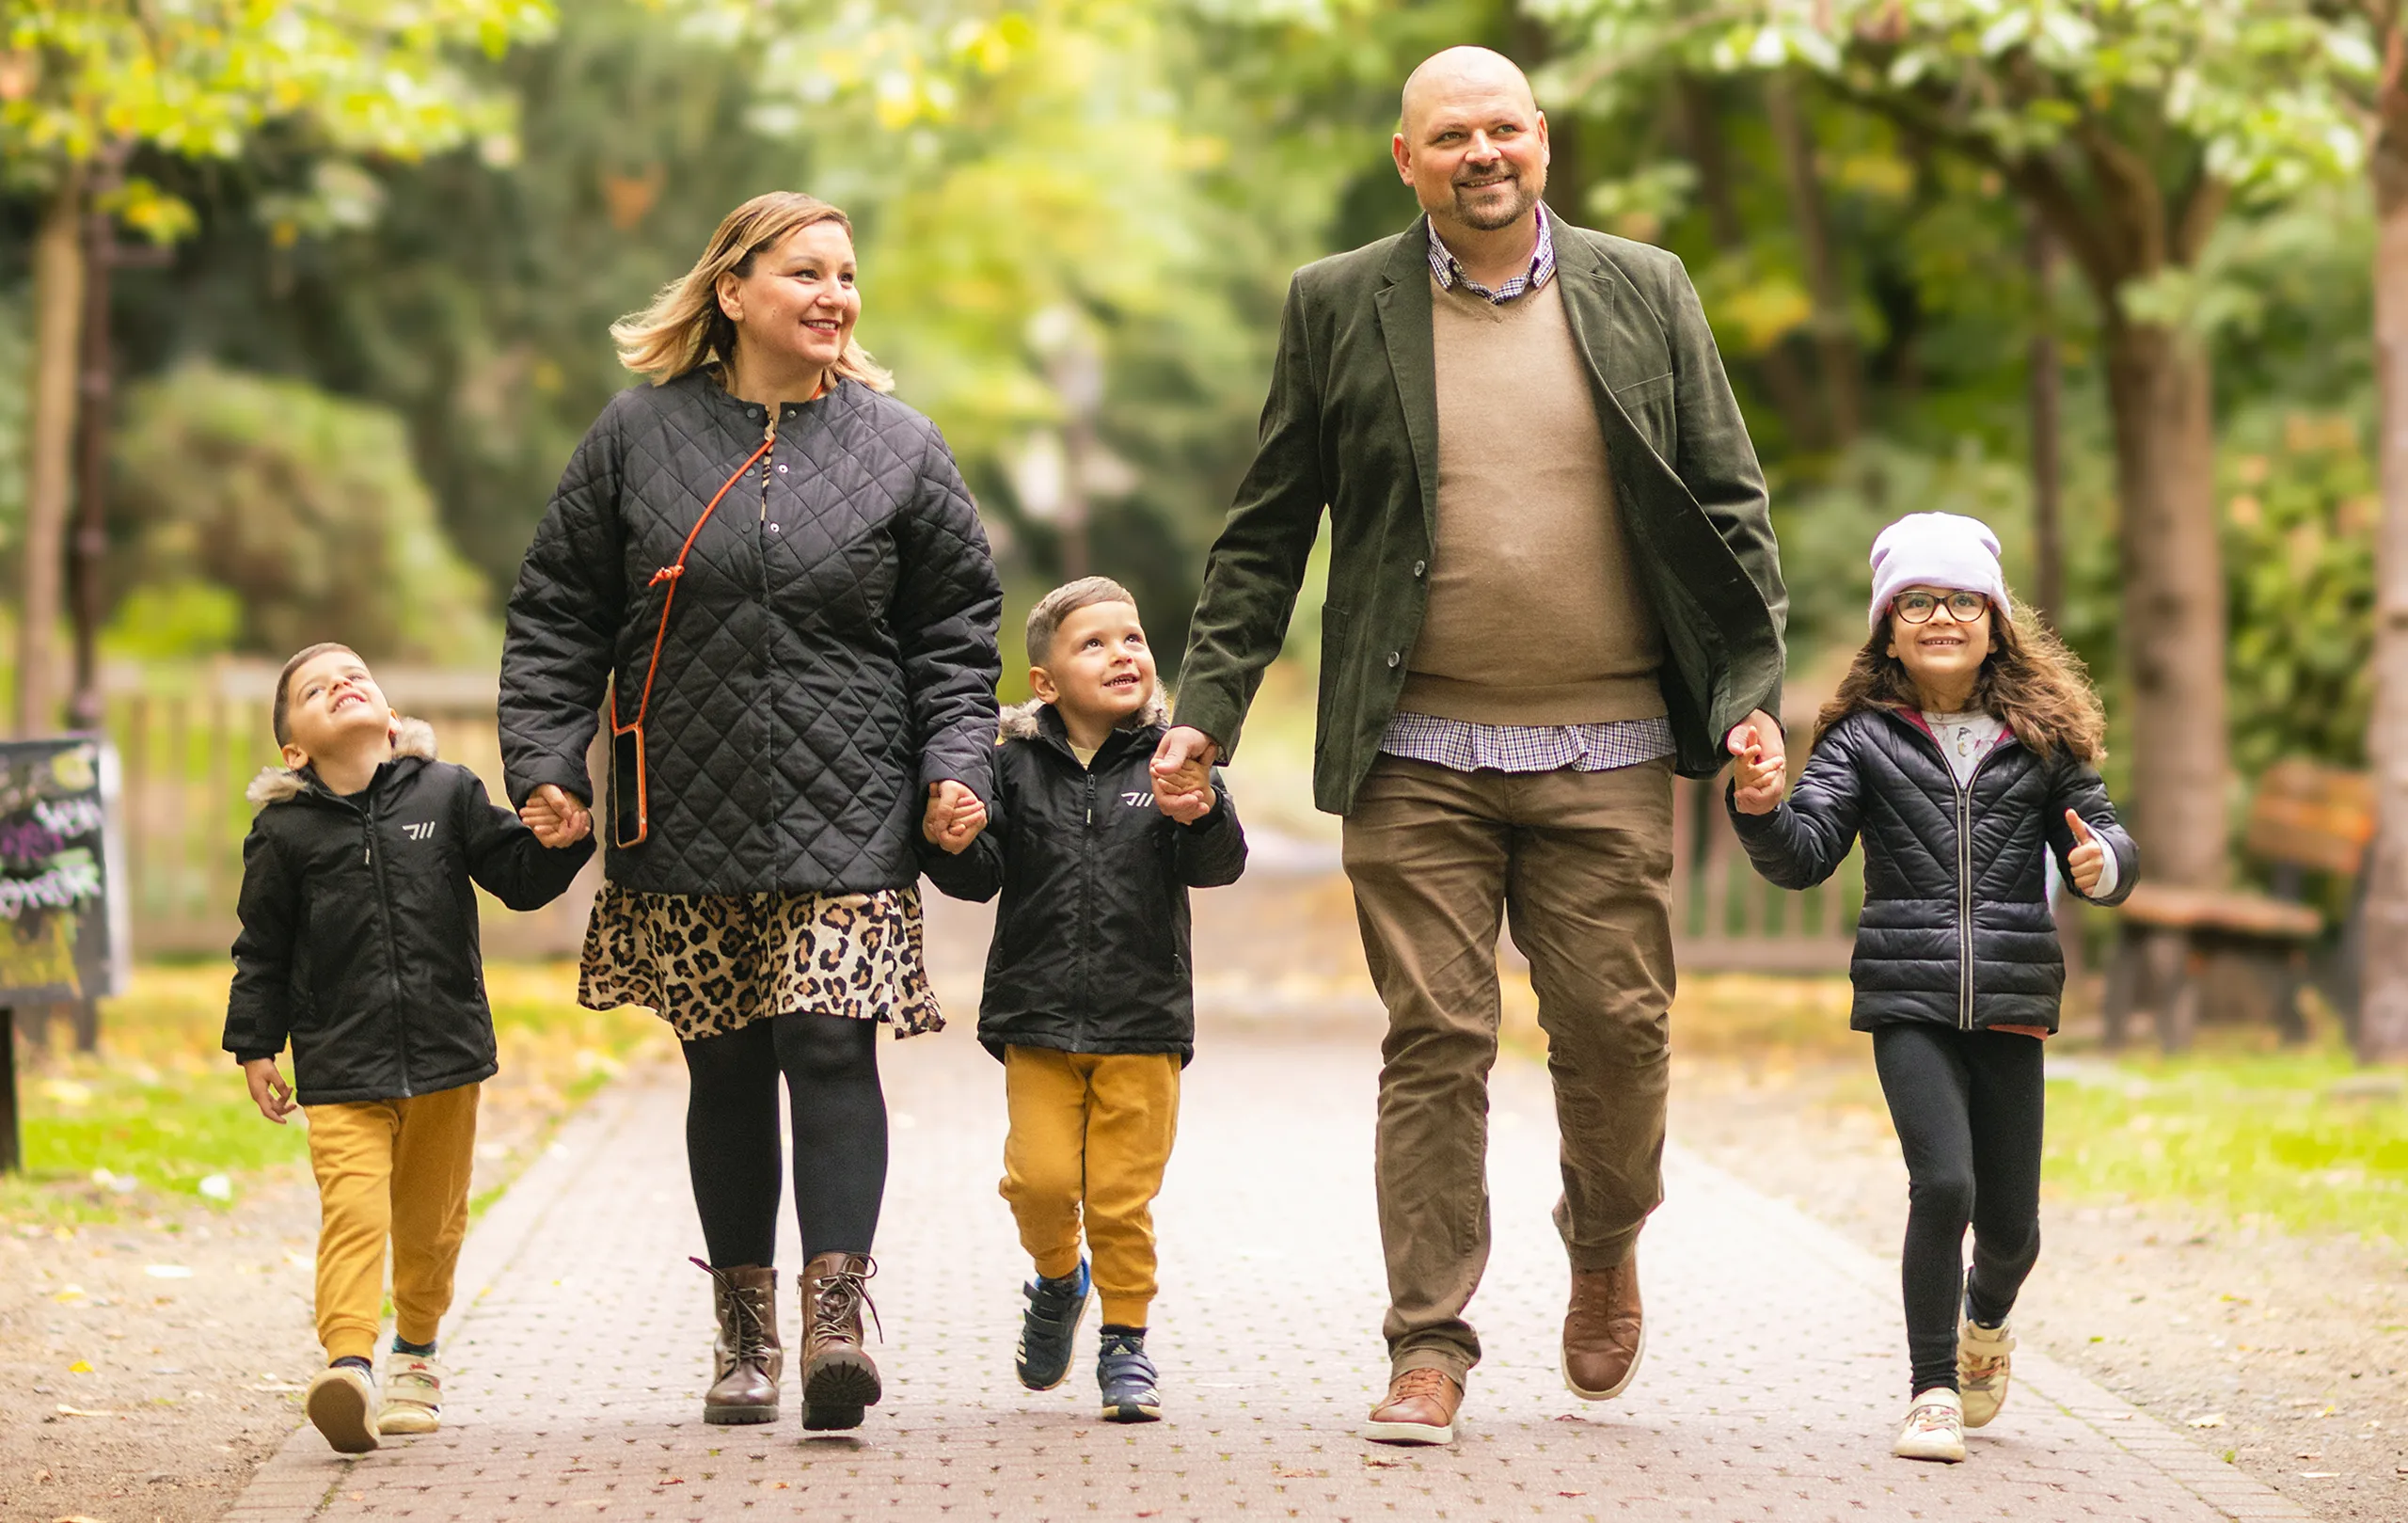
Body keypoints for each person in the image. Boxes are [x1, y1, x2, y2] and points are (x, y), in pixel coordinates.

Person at [1152, 47, 1787, 1444]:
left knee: (1618, 1032)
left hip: (1612, 737)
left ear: (1544, 143)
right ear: (1407, 159)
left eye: (1503, 129)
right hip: (1415, 746)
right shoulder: (1338, 304)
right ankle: (1428, 1340)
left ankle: (1605, 1231)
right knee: (1435, 1033)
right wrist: (1204, 711)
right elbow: (1268, 532)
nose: (1480, 153)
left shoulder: (1645, 288)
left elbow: (1728, 502)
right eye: (1451, 135)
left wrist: (1748, 683)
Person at [499, 191, 1003, 1432]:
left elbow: (956, 633)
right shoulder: (634, 438)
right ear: (733, 291)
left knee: (830, 1040)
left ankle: (837, 1318)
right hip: (685, 805)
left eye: (846, 274)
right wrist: (546, 760)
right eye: (805, 273)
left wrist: (957, 763)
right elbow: (559, 613)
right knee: (724, 1063)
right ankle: (744, 1332)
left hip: (851, 803)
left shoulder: (901, 447)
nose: (836, 295)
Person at [1727, 512, 2138, 1464]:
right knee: (1941, 1181)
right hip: (1904, 993)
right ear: (1888, 623)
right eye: (1917, 600)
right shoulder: (1859, 738)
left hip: (2011, 993)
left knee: (2011, 1230)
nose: (1940, 615)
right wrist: (1758, 806)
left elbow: (2108, 834)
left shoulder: (2043, 736)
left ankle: (1984, 1318)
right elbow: (1803, 855)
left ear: (1995, 620)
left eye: (1960, 599)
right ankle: (1930, 1390)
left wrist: (2101, 865)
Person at [223, 643, 594, 1453]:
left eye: (354, 675)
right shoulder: (284, 831)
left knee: (431, 1226)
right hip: (339, 1064)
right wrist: (255, 1041)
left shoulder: (447, 792)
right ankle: (347, 1365)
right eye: (316, 689)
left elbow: (518, 877)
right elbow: (263, 945)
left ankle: (416, 1355)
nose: (341, 685)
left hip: (444, 1055)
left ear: (391, 717)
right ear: (295, 748)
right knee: (353, 1214)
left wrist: (560, 841)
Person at [919, 577, 1248, 1422]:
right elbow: (980, 873)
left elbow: (1220, 864)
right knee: (1037, 1181)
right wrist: (953, 840)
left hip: (1142, 1023)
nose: (1122, 654)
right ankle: (1060, 1279)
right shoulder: (1012, 762)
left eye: (1132, 638)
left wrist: (1200, 812)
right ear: (1045, 681)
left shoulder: (1177, 755)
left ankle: (1126, 1344)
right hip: (1036, 1018)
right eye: (1093, 643)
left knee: (1119, 1199)